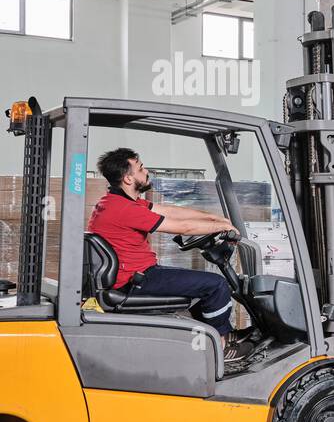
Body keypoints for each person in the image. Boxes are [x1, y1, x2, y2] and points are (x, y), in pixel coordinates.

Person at [86, 148, 254, 366]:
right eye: (141, 168)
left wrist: (213, 217)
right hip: (136, 280)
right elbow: (182, 227)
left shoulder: (121, 203)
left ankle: (222, 334)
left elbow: (170, 211)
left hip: (138, 274)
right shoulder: (123, 209)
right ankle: (221, 346)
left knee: (200, 287)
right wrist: (219, 226)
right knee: (216, 285)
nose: (146, 172)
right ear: (128, 178)